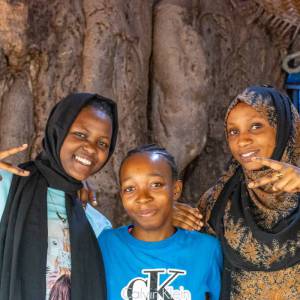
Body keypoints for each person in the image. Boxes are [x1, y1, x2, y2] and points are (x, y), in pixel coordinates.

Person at [173, 85, 300, 299]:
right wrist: (164, 217)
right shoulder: (217, 201)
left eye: (256, 126)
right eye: (233, 131)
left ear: (284, 128)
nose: (242, 140)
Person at [0, 92, 118, 300]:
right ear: (58, 131)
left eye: (102, 144)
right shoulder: (7, 187)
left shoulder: (96, 224)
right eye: (80, 135)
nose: (90, 148)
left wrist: (166, 221)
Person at [99, 144, 222, 300]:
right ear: (122, 195)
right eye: (130, 188)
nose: (143, 197)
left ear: (176, 189)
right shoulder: (105, 244)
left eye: (155, 185)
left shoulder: (207, 250)